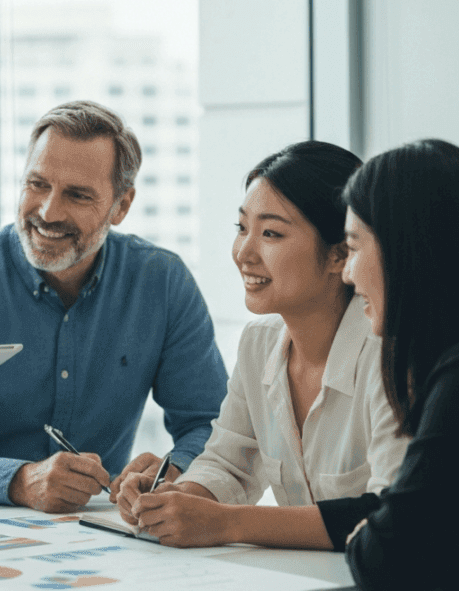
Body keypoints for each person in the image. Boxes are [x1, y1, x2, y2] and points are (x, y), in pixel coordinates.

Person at [0, 100, 228, 513]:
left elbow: (213, 427)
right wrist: (20, 482)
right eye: (37, 184)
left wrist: (173, 470)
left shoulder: (161, 282)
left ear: (121, 206)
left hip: (92, 528)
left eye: (77, 195)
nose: (48, 212)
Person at [116, 141, 407, 547]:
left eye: (271, 233)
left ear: (340, 255)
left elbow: (392, 512)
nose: (244, 253)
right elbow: (228, 464)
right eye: (241, 228)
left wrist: (227, 523)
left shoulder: (390, 355)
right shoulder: (259, 343)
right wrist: (175, 500)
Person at [318, 139, 459, 590]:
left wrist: (368, 535)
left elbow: (386, 556)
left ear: (408, 249)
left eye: (354, 248)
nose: (347, 273)